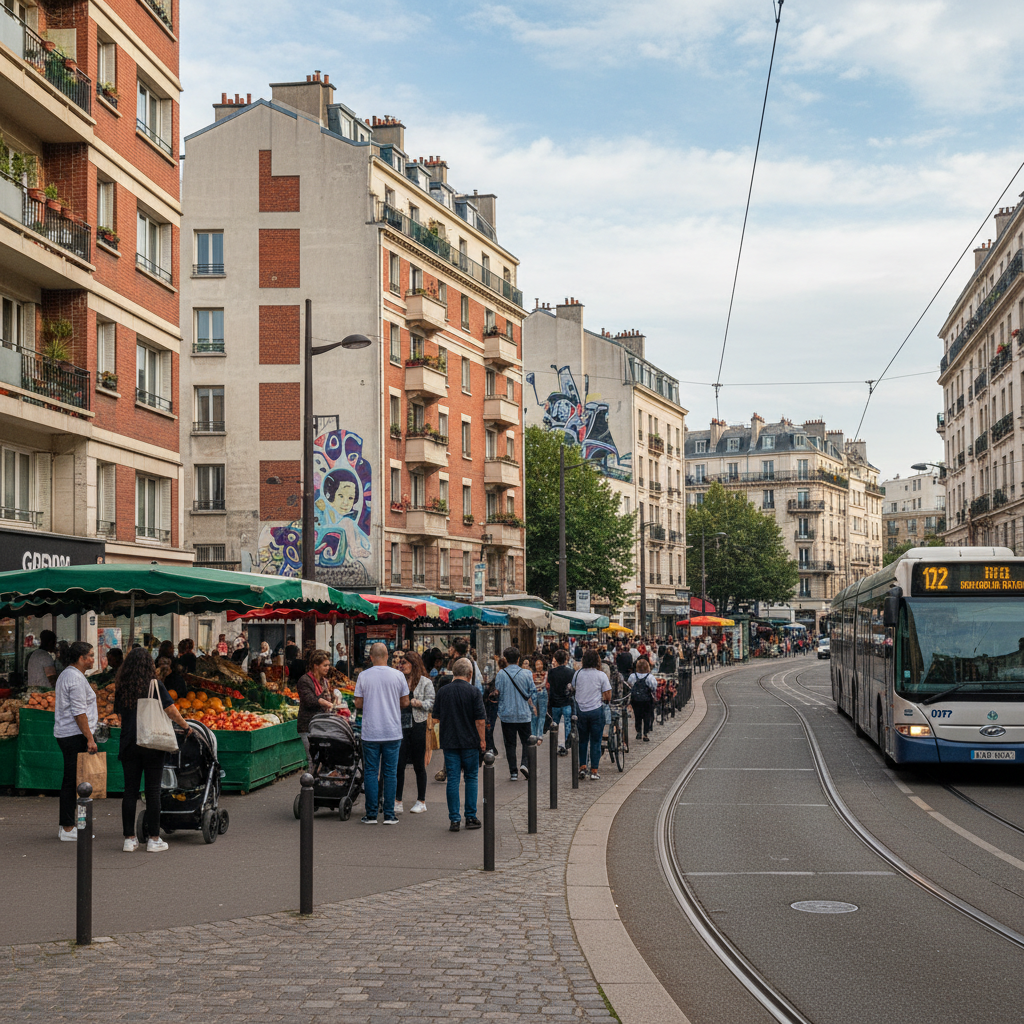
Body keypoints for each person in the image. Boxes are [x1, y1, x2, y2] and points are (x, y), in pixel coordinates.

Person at [114, 647, 193, 853]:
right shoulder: (155, 685)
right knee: (153, 791)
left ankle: (129, 839)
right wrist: (185, 726)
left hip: (129, 742)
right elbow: (171, 710)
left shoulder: (122, 685)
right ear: (149, 665)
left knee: (129, 791)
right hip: (152, 743)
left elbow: (119, 715)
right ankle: (154, 838)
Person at [354, 642, 409, 824]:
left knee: (370, 772)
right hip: (392, 731)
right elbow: (405, 702)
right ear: (388, 656)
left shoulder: (363, 676)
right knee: (390, 773)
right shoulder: (398, 675)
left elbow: (358, 704)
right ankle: (389, 814)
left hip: (371, 732)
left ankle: (371, 814)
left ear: (371, 657)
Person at [432, 657, 486, 832]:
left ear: (454, 673)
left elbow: (435, 718)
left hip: (450, 741)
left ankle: (454, 819)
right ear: (470, 674)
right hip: (470, 742)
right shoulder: (474, 692)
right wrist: (483, 740)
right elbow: (480, 720)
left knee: (453, 780)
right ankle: (470, 817)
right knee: (471, 778)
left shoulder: (443, 691)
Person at [53, 641, 99, 842]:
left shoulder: (68, 674)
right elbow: (79, 712)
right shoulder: (75, 678)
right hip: (74, 735)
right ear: (81, 658)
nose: (93, 659)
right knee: (72, 781)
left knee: (74, 780)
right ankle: (68, 827)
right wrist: (89, 738)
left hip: (68, 733)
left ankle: (71, 825)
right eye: (90, 655)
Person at [396, 650, 434, 814]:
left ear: (414, 663)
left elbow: (431, 703)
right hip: (400, 725)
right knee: (399, 764)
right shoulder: (398, 681)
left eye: (404, 662)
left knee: (419, 763)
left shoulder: (425, 682)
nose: (401, 665)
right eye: (400, 663)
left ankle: (421, 800)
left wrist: (418, 702)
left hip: (419, 724)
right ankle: (397, 800)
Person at [495, 646, 536, 781]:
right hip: (524, 714)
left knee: (510, 744)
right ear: (519, 659)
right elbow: (532, 692)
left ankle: (513, 772)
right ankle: (525, 764)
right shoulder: (527, 674)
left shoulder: (501, 674)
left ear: (505, 659)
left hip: (507, 715)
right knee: (527, 742)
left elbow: (498, 692)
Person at [575, 649, 611, 780]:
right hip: (596, 711)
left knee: (583, 740)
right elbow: (608, 694)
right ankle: (594, 770)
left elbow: (574, 688)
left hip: (581, 711)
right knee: (596, 741)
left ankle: (582, 767)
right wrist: (606, 700)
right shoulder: (601, 675)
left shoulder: (578, 674)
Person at [296, 650, 334, 767]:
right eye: (325, 665)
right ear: (316, 666)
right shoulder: (305, 680)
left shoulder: (324, 682)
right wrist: (324, 702)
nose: (328, 668)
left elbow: (330, 698)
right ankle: (310, 783)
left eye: (328, 665)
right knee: (313, 759)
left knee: (323, 759)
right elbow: (309, 700)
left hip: (322, 725)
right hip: (308, 725)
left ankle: (319, 782)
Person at [547, 649, 575, 755]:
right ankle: (567, 745)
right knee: (568, 723)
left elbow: (549, 685)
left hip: (555, 702)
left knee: (555, 724)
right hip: (566, 701)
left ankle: (555, 744)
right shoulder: (571, 672)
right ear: (565, 660)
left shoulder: (551, 672)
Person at [627, 657, 656, 742]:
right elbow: (654, 687)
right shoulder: (650, 677)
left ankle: (638, 731)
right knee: (647, 716)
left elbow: (629, 685)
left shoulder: (633, 676)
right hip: (647, 699)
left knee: (637, 716)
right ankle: (645, 733)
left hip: (636, 699)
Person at [530, 657, 548, 743]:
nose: (539, 665)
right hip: (534, 694)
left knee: (542, 715)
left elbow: (545, 683)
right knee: (534, 715)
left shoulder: (546, 674)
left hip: (542, 694)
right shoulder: (532, 675)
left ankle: (539, 735)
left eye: (540, 663)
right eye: (537, 664)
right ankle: (533, 734)